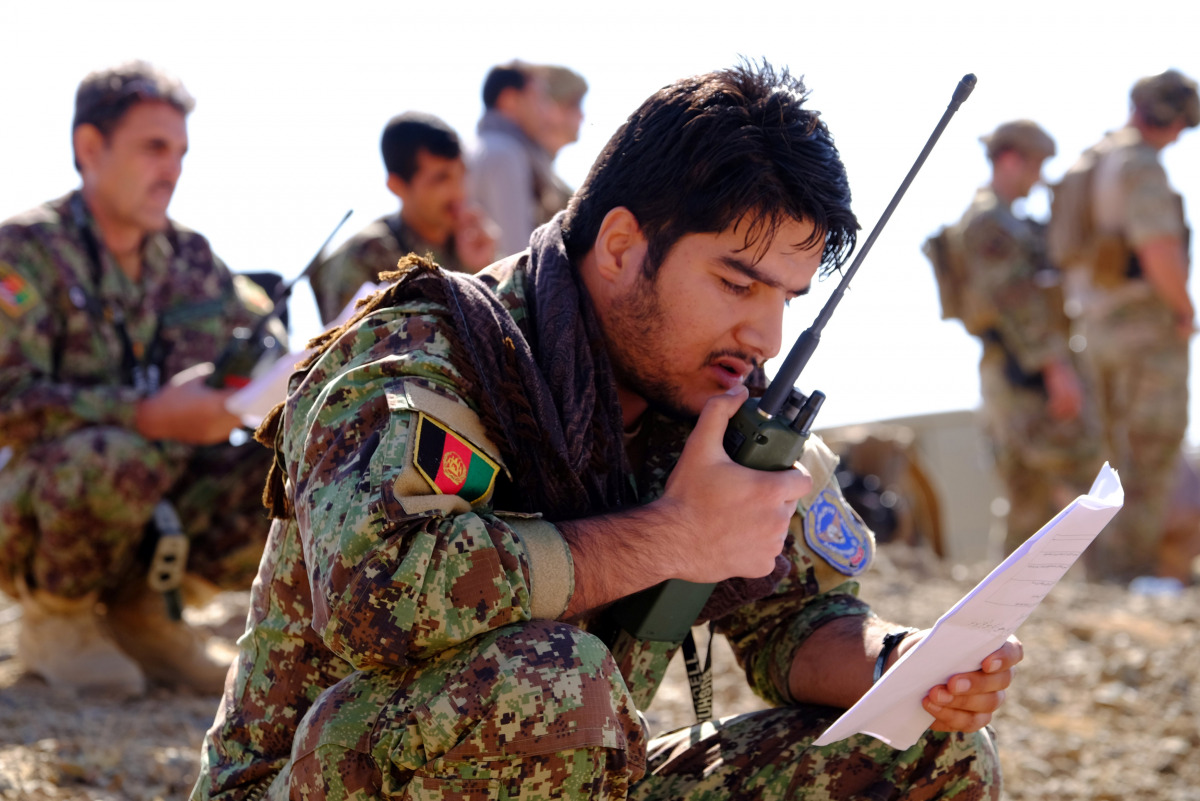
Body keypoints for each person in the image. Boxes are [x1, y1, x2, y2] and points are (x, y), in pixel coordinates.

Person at [193, 62, 1020, 800]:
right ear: (623, 246)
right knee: (555, 681)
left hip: (564, 768)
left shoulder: (721, 403)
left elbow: (794, 624)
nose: (765, 337)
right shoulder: (430, 350)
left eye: (786, 300)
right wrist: (672, 536)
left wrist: (895, 663)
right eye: (737, 283)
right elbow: (378, 597)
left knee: (928, 753)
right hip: (318, 776)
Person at [0, 61, 279, 696]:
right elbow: (7, 400)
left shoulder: (192, 258)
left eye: (180, 151)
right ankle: (57, 621)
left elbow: (272, 350)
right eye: (154, 147)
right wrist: (144, 413)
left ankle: (150, 617)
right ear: (89, 147)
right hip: (38, 504)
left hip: (161, 492)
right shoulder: (23, 252)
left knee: (282, 470)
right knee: (115, 452)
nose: (173, 169)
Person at [927, 121, 1099, 555]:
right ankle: (1108, 574)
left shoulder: (1008, 220)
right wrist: (1057, 370)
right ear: (1010, 160)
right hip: (1022, 372)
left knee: (1028, 494)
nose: (1039, 178)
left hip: (1016, 369)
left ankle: (1014, 597)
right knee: (1081, 473)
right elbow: (1016, 301)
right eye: (1035, 166)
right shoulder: (990, 222)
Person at [1054, 70, 1199, 583]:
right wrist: (1184, 310)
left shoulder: (1092, 162)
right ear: (1177, 118)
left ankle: (1104, 577)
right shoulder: (1140, 164)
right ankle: (1129, 577)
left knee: (1110, 458)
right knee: (1149, 456)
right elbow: (1157, 248)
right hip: (1143, 330)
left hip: (1094, 329)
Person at [308, 112, 496, 326]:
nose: (459, 192)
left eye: (462, 173)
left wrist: (483, 271)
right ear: (397, 186)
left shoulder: (470, 243)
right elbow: (349, 351)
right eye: (441, 178)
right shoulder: (363, 257)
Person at [468, 60, 574, 259]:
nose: (547, 111)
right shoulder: (505, 155)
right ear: (510, 100)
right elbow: (516, 253)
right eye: (540, 99)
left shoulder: (479, 148)